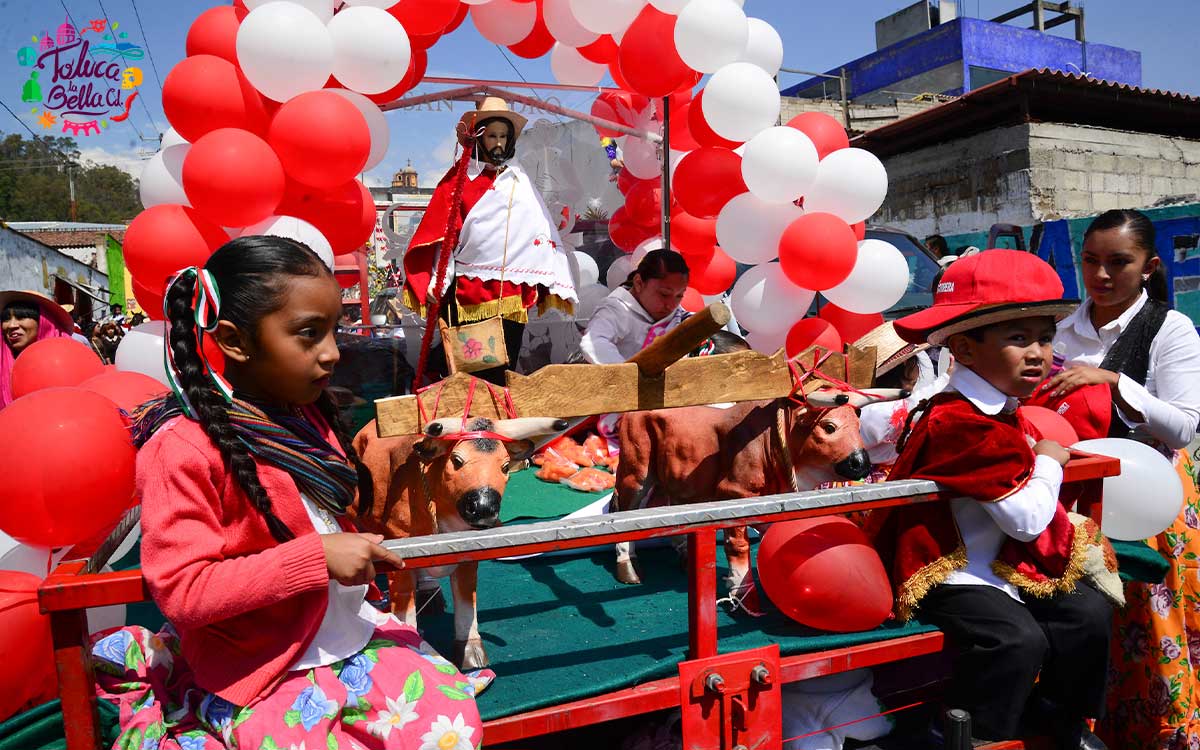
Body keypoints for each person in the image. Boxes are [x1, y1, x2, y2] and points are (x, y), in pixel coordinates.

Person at [102, 236, 491, 750]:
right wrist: (314, 559)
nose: (332, 353)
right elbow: (183, 590)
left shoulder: (308, 415)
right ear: (237, 341)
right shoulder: (183, 448)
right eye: (309, 334)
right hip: (262, 664)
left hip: (345, 634)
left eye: (333, 331)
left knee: (453, 730)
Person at [870, 250, 1112, 748]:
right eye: (1018, 338)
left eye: (1045, 338)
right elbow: (1025, 519)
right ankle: (970, 733)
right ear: (964, 347)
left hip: (998, 562)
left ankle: (1055, 718)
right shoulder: (960, 422)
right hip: (950, 569)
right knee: (1015, 641)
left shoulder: (1001, 410)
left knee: (1088, 613)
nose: (1038, 354)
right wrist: (1050, 459)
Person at [1039, 209, 1200, 748]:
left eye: (1118, 263)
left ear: (1150, 267)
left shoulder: (1168, 328)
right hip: (1077, 504)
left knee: (1150, 630)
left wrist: (1113, 382)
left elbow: (1183, 426)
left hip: (1150, 502)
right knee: (1087, 622)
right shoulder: (1060, 328)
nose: (1101, 276)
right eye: (1091, 261)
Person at [404, 97, 578, 385]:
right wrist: (438, 278)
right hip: (469, 291)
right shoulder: (459, 180)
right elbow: (444, 233)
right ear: (479, 139)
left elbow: (539, 228)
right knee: (470, 365)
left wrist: (549, 273)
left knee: (504, 364)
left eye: (503, 136)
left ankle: (495, 413)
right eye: (492, 136)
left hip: (512, 292)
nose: (498, 143)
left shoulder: (520, 180)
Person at [579, 249, 690, 364]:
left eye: (679, 296)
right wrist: (629, 374)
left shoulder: (678, 314)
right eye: (664, 294)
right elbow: (594, 343)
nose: (671, 306)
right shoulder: (615, 309)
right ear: (639, 283)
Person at [0, 290, 75, 409]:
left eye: (21, 317)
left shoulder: (71, 357)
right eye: (6, 319)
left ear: (43, 321)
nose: (11, 325)